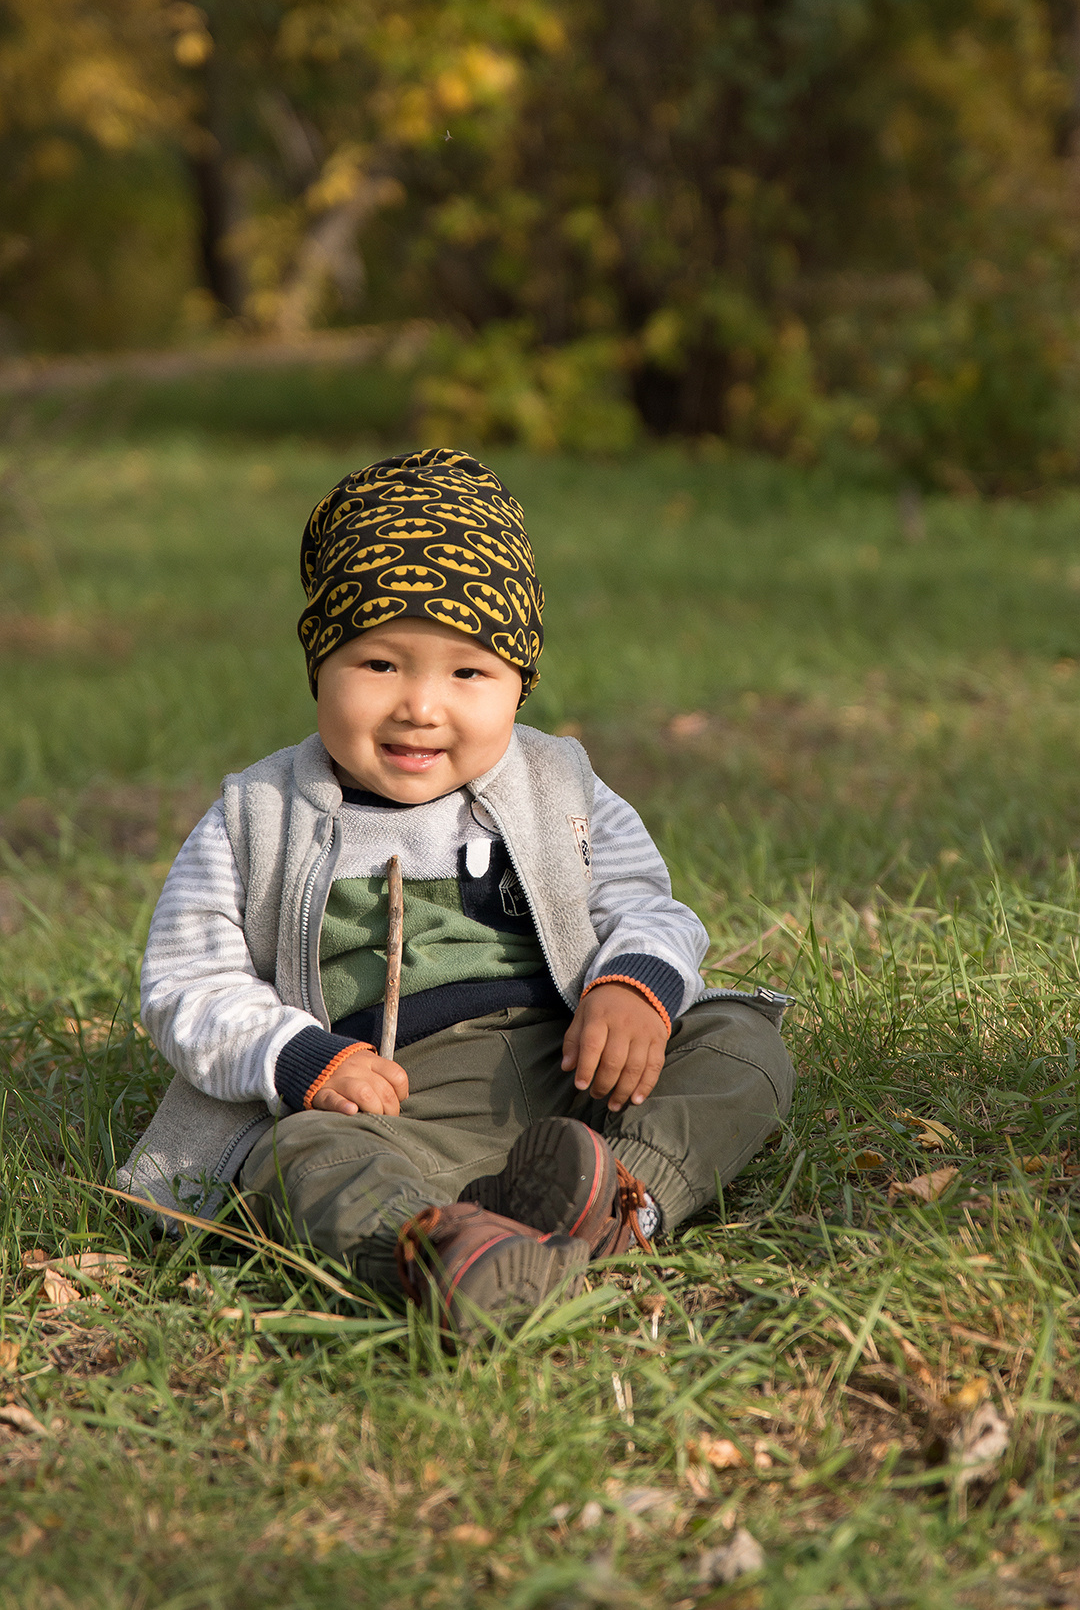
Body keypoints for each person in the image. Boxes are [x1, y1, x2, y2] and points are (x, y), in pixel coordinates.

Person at [125, 449, 795, 1342]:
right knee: (294, 1159)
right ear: (319, 666)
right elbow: (186, 982)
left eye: (468, 672)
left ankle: (622, 1205)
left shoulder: (559, 783)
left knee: (740, 1043)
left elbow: (645, 904)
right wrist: (302, 1060)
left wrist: (631, 986)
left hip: (577, 1074)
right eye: (379, 664)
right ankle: (436, 1250)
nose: (419, 706)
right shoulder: (258, 814)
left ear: (521, 681)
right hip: (386, 1112)